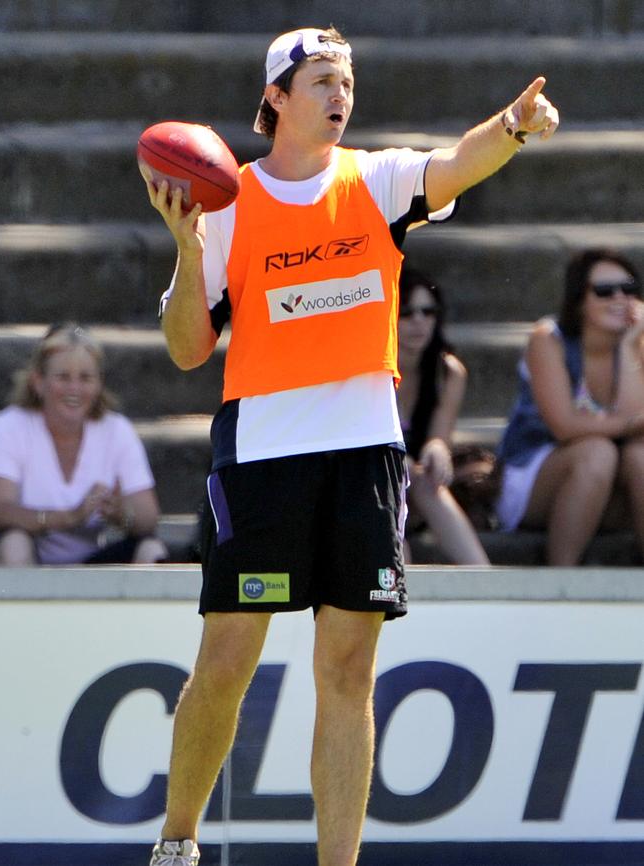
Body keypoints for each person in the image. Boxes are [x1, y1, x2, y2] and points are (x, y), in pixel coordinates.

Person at [143, 25, 559, 866]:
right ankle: (176, 845)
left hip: (365, 454)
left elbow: (456, 161)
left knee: (348, 673)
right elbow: (187, 348)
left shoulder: (374, 179)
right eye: (323, 80)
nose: (341, 95)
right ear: (277, 99)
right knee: (226, 660)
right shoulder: (228, 204)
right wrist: (189, 251)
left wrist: (511, 126)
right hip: (262, 455)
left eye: (348, 81)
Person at [496, 248, 644, 565]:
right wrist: (630, 425)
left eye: (629, 289)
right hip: (537, 475)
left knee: (639, 455)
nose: (619, 298)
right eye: (604, 291)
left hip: (612, 481)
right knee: (597, 452)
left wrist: (632, 347)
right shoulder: (549, 339)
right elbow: (565, 426)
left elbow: (633, 424)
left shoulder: (638, 342)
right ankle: (560, 579)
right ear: (579, 300)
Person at [0, 323, 168, 566]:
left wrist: (120, 513)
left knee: (150, 549)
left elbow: (148, 518)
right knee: (13, 545)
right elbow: (0, 510)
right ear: (38, 382)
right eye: (63, 377)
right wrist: (66, 518)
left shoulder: (116, 430)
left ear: (98, 385)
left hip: (94, 559)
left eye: (85, 378)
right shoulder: (9, 427)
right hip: (29, 555)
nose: (74, 389)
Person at [396, 265, 489, 564]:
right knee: (402, 472)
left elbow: (438, 437)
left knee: (424, 480)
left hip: (418, 490)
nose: (419, 322)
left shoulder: (447, 371)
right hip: (371, 487)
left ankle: (482, 577)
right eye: (406, 312)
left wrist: (437, 449)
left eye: (428, 311)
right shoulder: (370, 370)